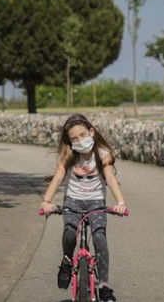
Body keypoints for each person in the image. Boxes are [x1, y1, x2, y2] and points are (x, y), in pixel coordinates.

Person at [41, 113, 127, 302]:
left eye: (82, 135)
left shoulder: (102, 152)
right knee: (70, 233)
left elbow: (111, 178)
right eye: (74, 138)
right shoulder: (70, 154)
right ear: (70, 142)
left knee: (99, 237)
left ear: (91, 132)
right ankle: (66, 260)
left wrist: (120, 203)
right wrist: (47, 201)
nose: (80, 140)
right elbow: (58, 177)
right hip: (73, 200)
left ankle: (103, 286)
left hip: (96, 201)